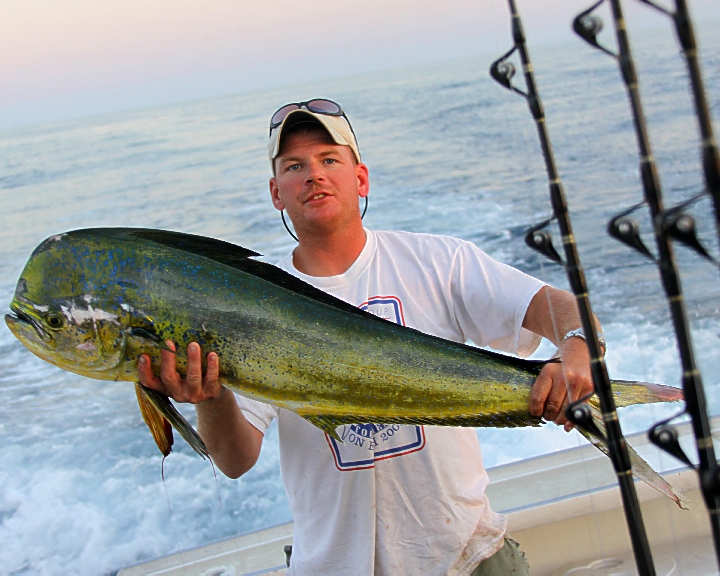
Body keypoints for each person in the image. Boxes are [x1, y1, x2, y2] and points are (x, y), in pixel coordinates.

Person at [137, 98, 601, 575]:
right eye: (295, 166)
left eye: (329, 159)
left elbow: (559, 307)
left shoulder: (440, 261)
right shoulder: (250, 302)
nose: (314, 175)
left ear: (360, 178)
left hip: (467, 557)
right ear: (277, 192)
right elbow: (235, 460)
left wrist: (576, 347)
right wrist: (210, 398)